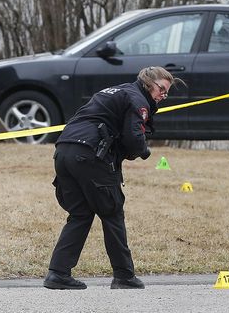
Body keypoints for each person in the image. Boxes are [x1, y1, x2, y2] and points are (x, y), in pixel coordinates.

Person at [44, 66, 177, 290]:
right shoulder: (138, 100)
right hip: (90, 155)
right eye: (161, 89)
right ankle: (124, 276)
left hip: (63, 152)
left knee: (81, 214)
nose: (164, 95)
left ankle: (58, 273)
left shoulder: (114, 91)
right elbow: (134, 138)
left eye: (166, 92)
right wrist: (143, 151)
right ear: (147, 83)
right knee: (112, 212)